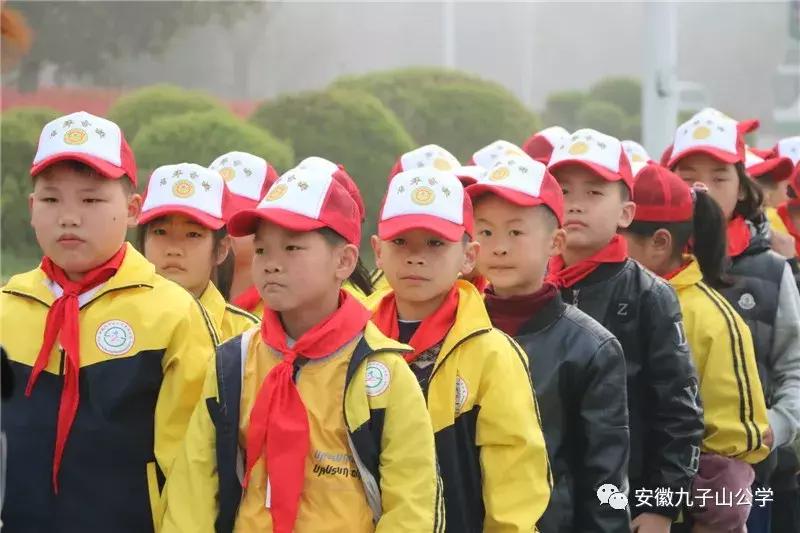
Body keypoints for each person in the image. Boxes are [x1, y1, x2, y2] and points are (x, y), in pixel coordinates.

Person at [161, 163, 443, 533]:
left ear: (343, 261)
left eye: (292, 247)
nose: (272, 264)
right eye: (262, 249)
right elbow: (194, 487)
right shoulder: (234, 362)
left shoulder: (382, 373)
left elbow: (412, 506)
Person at [0, 111, 216, 532]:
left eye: (91, 199)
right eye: (51, 199)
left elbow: (193, 465)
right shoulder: (7, 307)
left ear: (133, 209)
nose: (69, 216)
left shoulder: (171, 313)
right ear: (31, 209)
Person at [368, 168, 551, 532]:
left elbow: (514, 482)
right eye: (401, 242)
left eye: (436, 244)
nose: (416, 257)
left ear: (469, 256)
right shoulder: (350, 337)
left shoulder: (492, 355)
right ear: (377, 251)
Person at [547, 128, 704, 532]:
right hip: (541, 505)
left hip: (626, 506)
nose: (575, 205)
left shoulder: (650, 295)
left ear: (626, 213)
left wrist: (662, 506)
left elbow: (680, 412)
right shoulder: (531, 289)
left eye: (594, 193)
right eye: (563, 191)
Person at [467, 154, 630, 532]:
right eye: (486, 232)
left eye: (516, 232)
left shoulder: (591, 347)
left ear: (555, 242)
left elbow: (606, 476)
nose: (500, 247)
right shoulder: (454, 333)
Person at [668, 108, 800, 533]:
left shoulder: (771, 270)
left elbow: (793, 365)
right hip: (658, 478)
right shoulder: (648, 268)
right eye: (687, 175)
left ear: (743, 189)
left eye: (719, 176)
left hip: (744, 480)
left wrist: (775, 427)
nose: (701, 187)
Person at [622, 163, 772, 532]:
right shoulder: (615, 299)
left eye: (617, 237)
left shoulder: (711, 316)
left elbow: (735, 444)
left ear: (659, 243)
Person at [137, 162, 259, 343]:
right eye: (160, 232)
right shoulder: (116, 319)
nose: (174, 249)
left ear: (221, 249)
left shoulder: (247, 337)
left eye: (193, 235)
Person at [209, 151, 280, 317]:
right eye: (212, 212)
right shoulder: (180, 297)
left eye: (234, 214)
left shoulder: (285, 310)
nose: (220, 223)